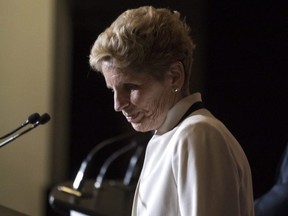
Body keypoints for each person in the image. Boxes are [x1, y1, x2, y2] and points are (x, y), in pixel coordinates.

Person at [89, 5, 255, 216]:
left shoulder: (197, 134)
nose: (117, 104)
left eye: (130, 87)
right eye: (112, 90)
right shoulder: (172, 135)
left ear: (175, 76)